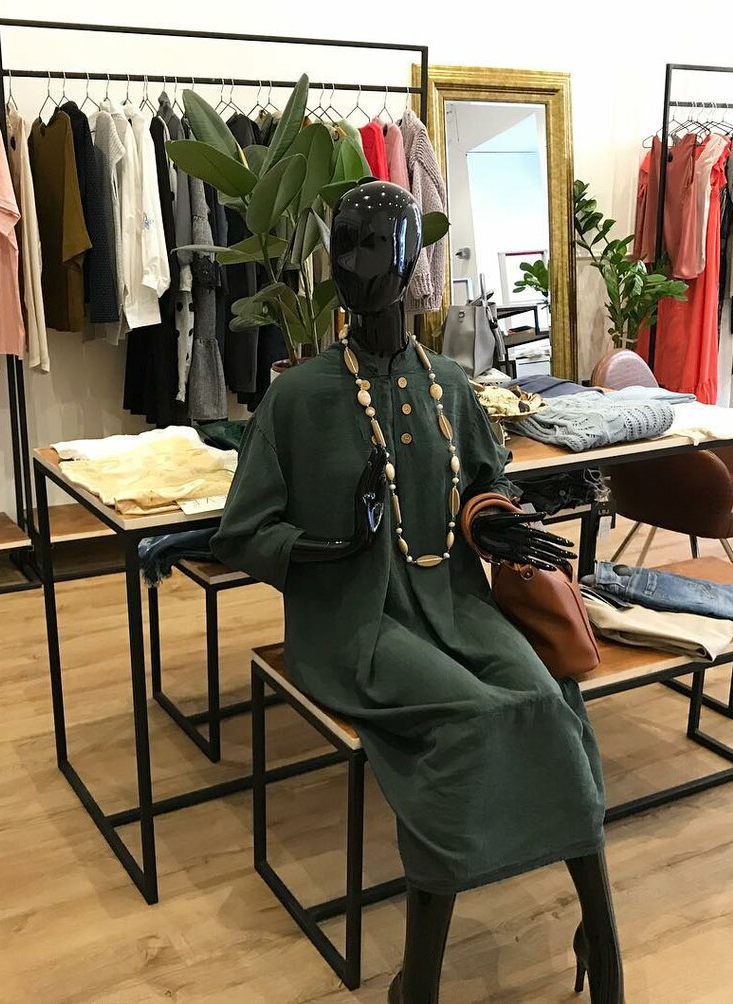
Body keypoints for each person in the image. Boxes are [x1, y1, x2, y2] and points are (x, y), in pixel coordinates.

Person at [213, 181, 624, 1003]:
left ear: (411, 268)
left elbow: (488, 482)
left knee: (551, 703)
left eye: (377, 250)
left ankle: (603, 938)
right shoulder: (297, 397)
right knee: (473, 721)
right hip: (353, 624)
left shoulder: (452, 386)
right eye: (345, 249)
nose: (356, 269)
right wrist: (334, 544)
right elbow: (242, 532)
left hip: (456, 605)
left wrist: (492, 523)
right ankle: (421, 985)